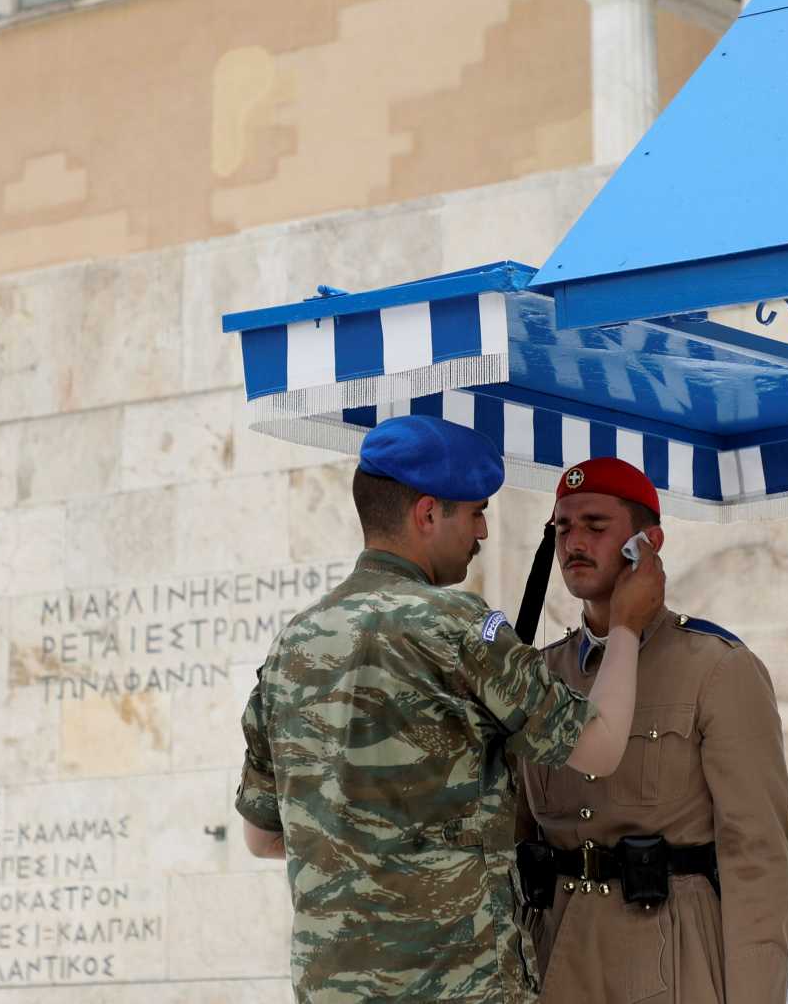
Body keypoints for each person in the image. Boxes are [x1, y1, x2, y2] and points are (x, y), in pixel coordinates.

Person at [235, 416, 666, 1004]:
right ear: (428, 514)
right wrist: (626, 627)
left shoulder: (293, 644)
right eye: (475, 511)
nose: (484, 530)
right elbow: (601, 745)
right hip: (461, 982)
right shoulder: (458, 626)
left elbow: (262, 838)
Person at [514, 457, 788, 1004]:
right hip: (556, 956)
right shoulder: (540, 675)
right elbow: (519, 831)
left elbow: (760, 856)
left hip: (672, 960)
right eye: (564, 527)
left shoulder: (716, 667)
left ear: (649, 542)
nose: (575, 542)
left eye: (596, 527)